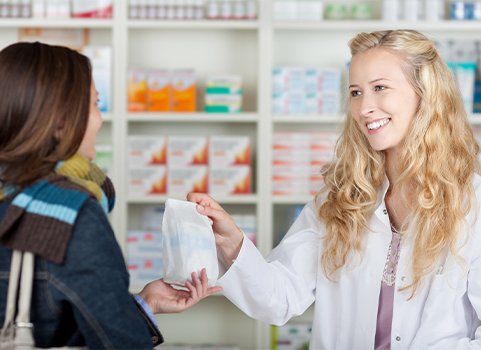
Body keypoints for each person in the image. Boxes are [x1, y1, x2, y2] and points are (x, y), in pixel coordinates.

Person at [188, 29, 481, 349]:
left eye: (380, 88)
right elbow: (280, 298)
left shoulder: (472, 204)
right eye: (356, 92)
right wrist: (232, 244)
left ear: (425, 94)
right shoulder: (342, 198)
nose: (365, 108)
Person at [0, 41, 221, 349]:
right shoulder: (69, 216)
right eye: (95, 104)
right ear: (62, 121)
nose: (100, 119)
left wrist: (145, 304)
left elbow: (54, 322)